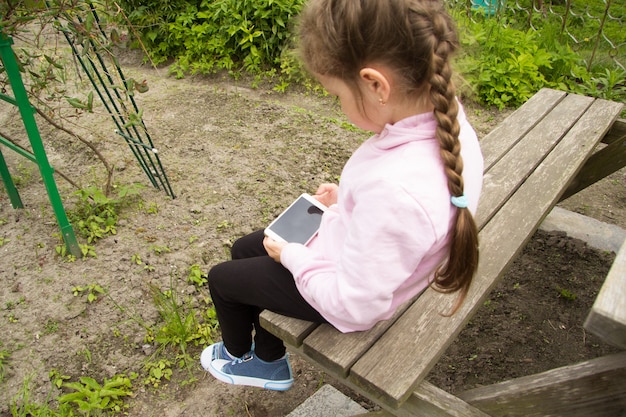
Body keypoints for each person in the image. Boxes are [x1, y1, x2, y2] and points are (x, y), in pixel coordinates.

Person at [201, 0, 484, 391]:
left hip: (348, 294)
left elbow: (354, 306)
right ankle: (269, 355)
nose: (339, 104)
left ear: (375, 85)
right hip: (367, 257)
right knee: (246, 247)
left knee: (223, 280)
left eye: (337, 94)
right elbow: (395, 212)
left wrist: (295, 258)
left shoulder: (397, 191)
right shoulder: (445, 118)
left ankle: (245, 359)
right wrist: (347, 200)